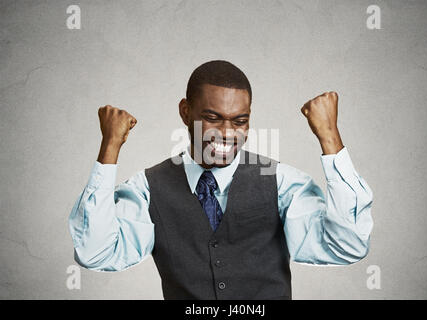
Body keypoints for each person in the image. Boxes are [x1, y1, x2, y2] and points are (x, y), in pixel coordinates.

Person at [68, 60, 373, 300]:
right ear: (185, 112)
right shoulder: (149, 187)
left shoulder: (278, 180)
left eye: (240, 121)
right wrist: (109, 149)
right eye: (213, 118)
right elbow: (96, 253)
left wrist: (329, 138)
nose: (227, 133)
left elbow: (346, 246)